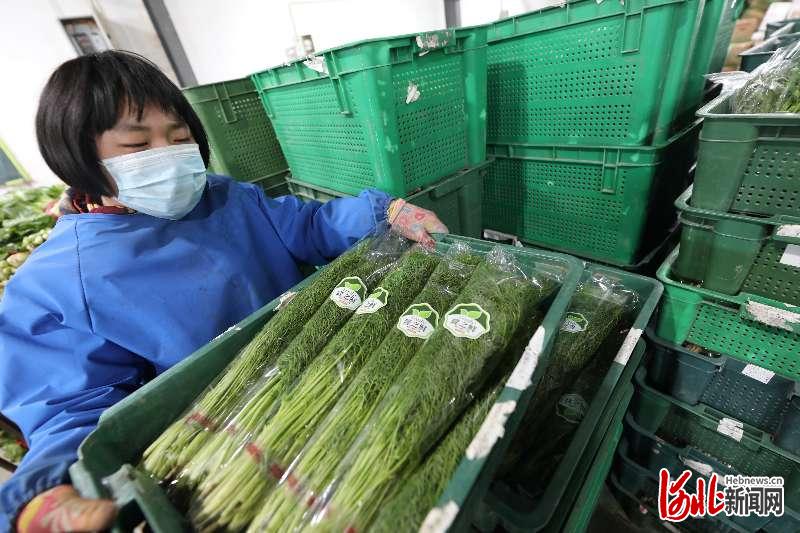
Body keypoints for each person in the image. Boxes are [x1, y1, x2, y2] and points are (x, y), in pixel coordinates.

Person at [0, 50, 448, 532]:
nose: (168, 155)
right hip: (228, 446)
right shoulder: (56, 283)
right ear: (77, 154)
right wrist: (48, 489)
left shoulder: (227, 197)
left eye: (180, 137)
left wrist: (383, 212)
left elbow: (307, 226)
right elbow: (69, 405)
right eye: (137, 143)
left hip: (331, 369)